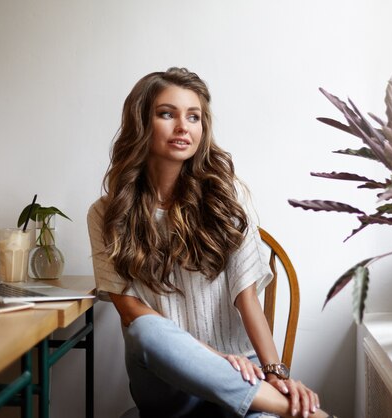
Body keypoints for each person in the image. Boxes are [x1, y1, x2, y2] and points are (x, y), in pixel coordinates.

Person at [88, 67, 332, 418]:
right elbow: (131, 312)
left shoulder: (225, 200)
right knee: (144, 329)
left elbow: (247, 298)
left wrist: (275, 373)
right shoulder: (106, 214)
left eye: (194, 116)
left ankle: (272, 404)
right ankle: (299, 413)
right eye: (167, 114)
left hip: (242, 374)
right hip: (166, 385)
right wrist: (217, 360)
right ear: (141, 123)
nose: (183, 127)